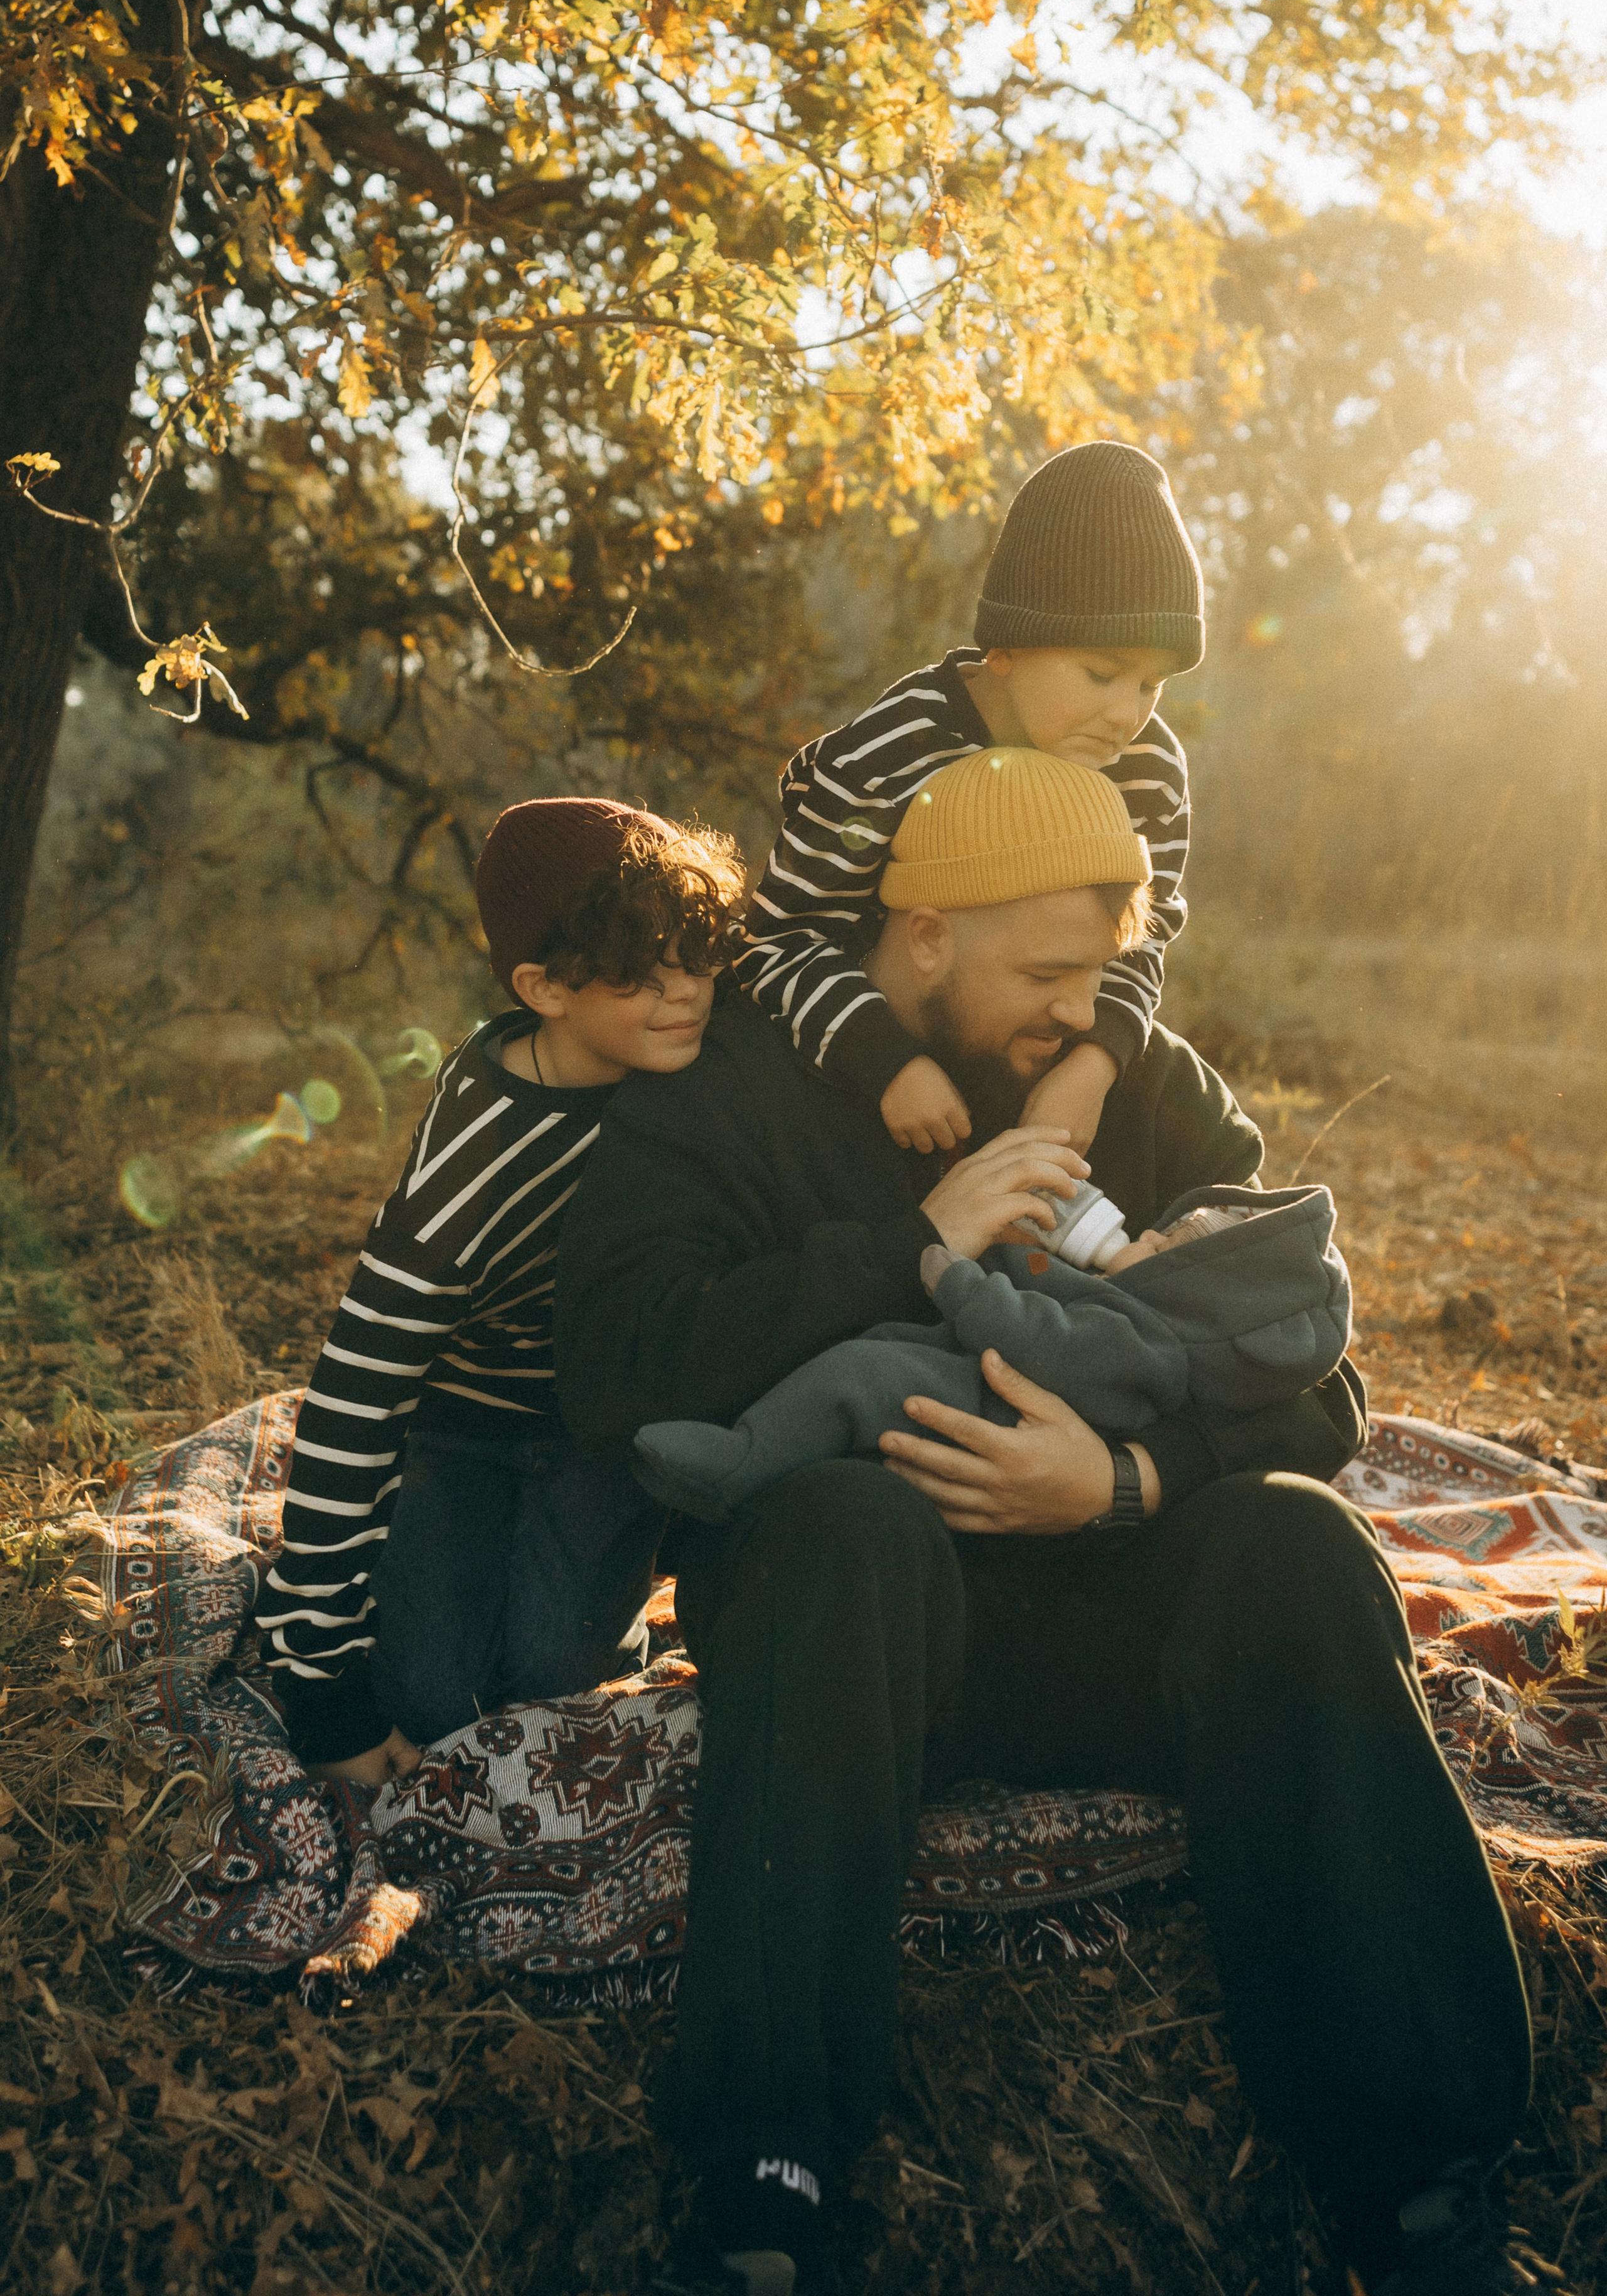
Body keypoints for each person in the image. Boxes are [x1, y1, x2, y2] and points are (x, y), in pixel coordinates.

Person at [556, 750, 1533, 2296]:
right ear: (926, 935)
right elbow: (622, 1364)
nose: (1083, 1008)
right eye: (1049, 968)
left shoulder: (1135, 1086)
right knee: (836, 1525)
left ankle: (1421, 2193)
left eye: (1100, 969)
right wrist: (908, 1246)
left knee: (1291, 1533)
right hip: (846, 1643)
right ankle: (764, 2191)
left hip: (1106, 1622)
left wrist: (1128, 1482)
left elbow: (1312, 1380)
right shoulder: (732, 1080)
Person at [252, 797, 746, 1783]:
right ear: (544, 988)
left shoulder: (699, 1058)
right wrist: (323, 1697)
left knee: (550, 1684)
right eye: (640, 979)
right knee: (432, 1703)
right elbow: (355, 1396)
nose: (687, 993)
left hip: (600, 1428)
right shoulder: (473, 1172)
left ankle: (607, 1592)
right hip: (463, 1426)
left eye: (698, 959)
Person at [733, 438, 1200, 1163]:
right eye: (1102, 673)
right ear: (1007, 649)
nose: (1126, 713)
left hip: (1043, 1045)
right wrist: (889, 1062)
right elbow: (782, 940)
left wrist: (1092, 1066)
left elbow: (1144, 933)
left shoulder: (1146, 769)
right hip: (860, 1056)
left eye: (1150, 684)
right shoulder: (890, 754)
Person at [632, 1175, 1351, 1520]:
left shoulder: (1147, 1339)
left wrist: (963, 1284)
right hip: (947, 1392)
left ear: (1202, 1294)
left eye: (1170, 1246)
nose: (1151, 1236)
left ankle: (738, 1462)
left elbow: (1050, 1343)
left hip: (977, 1410)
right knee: (866, 1361)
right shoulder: (1142, 1311)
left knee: (856, 1376)